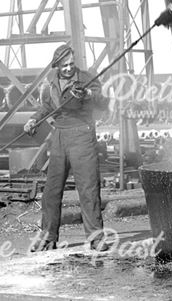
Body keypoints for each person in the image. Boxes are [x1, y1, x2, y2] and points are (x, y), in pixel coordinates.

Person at [24, 43, 109, 252]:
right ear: (57, 66)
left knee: (88, 189)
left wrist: (88, 93)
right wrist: (33, 120)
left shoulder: (86, 77)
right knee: (51, 192)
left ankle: (96, 238)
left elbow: (103, 102)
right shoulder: (52, 81)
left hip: (82, 134)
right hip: (60, 137)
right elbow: (48, 106)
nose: (69, 68)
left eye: (71, 64)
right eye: (64, 66)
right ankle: (48, 238)